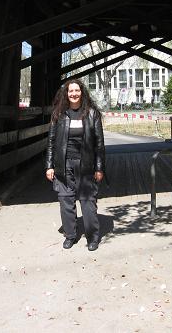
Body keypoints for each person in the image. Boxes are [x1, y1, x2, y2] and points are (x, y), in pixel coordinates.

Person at [45, 79, 105, 251]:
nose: (73, 94)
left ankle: (93, 237)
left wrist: (99, 168)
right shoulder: (59, 114)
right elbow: (51, 142)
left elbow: (99, 144)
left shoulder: (92, 114)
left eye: (76, 90)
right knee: (65, 201)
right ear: (66, 94)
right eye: (70, 91)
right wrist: (49, 165)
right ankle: (70, 235)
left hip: (86, 165)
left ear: (82, 92)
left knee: (88, 202)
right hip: (63, 165)